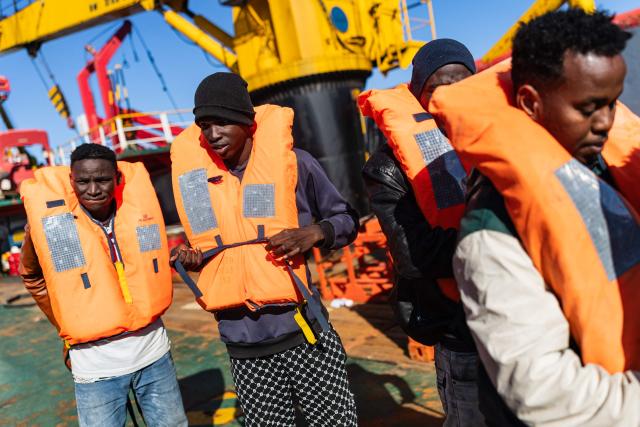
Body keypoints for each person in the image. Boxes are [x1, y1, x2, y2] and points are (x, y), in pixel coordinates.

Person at [429, 9, 640, 425]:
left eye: (613, 103)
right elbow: (545, 393)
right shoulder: (490, 234)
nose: (606, 123)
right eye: (589, 107)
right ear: (529, 101)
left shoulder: (602, 169)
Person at [170, 72, 359, 426]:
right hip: (244, 348)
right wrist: (191, 258)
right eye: (204, 126)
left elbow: (347, 219)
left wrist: (314, 233)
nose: (213, 135)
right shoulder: (196, 186)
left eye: (223, 122)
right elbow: (212, 249)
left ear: (247, 121)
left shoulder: (296, 164)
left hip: (305, 336)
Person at [360, 39, 486, 426]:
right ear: (417, 94)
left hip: (524, 326)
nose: (450, 98)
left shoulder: (495, 140)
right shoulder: (387, 166)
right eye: (438, 87)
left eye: (462, 85)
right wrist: (501, 242)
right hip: (460, 333)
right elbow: (416, 256)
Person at [19, 143, 187, 427]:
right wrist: (64, 320)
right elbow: (32, 276)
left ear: (118, 179)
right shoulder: (49, 225)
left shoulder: (137, 212)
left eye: (103, 180)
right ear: (72, 181)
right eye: (83, 181)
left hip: (155, 357)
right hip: (95, 371)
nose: (93, 190)